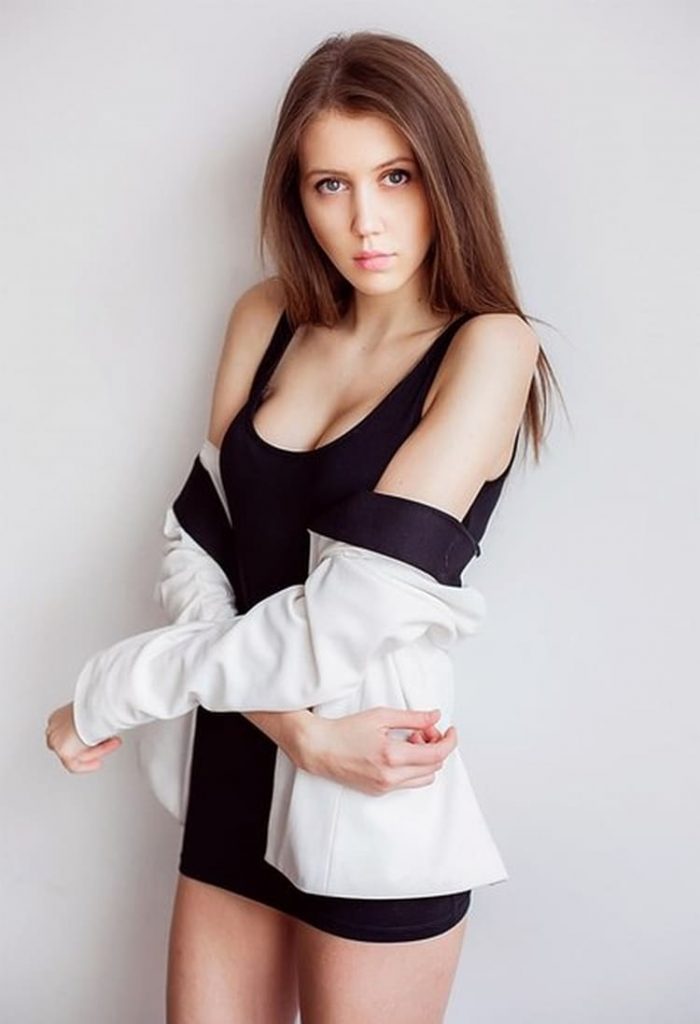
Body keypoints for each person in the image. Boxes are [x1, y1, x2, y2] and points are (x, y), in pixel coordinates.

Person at [46, 29, 560, 1024]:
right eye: (331, 185)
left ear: (445, 177)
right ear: (296, 193)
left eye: (396, 176)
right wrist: (297, 735)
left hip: (368, 798)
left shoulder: (491, 348)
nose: (366, 220)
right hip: (240, 770)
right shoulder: (266, 316)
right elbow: (198, 547)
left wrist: (110, 689)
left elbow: (342, 623)